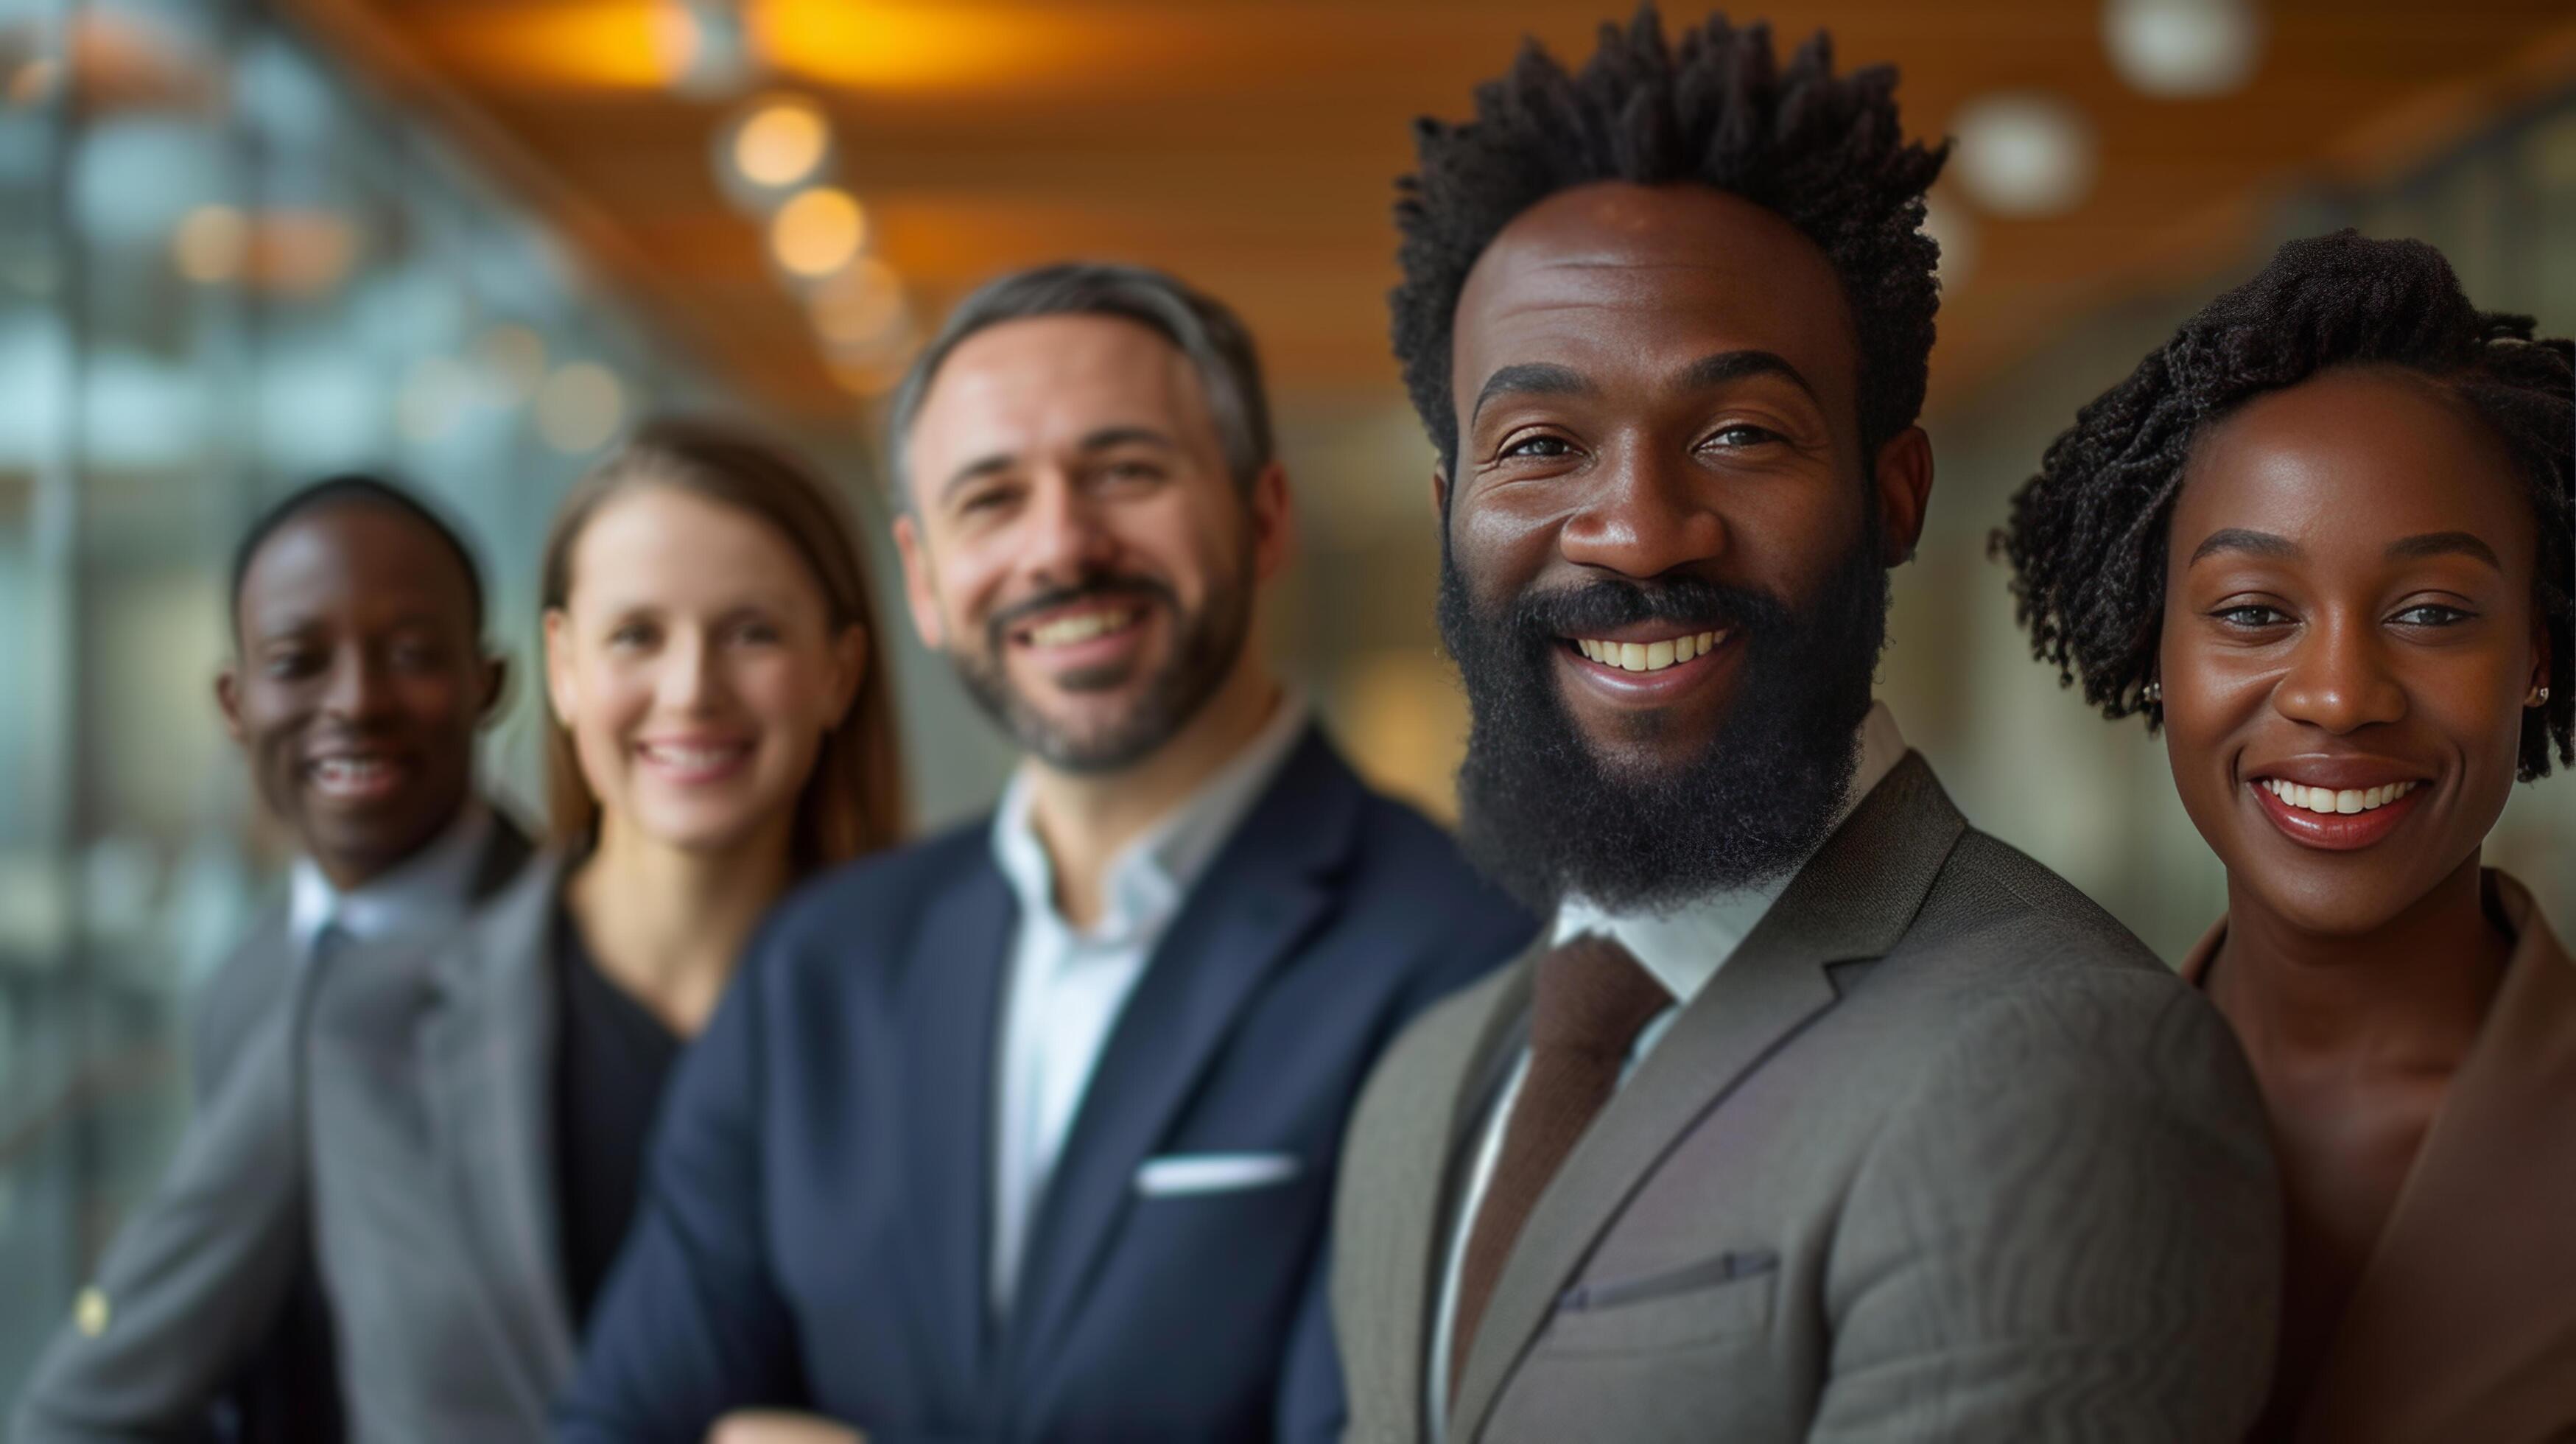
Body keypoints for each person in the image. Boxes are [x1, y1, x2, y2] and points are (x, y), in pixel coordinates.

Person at [1327, 13, 2282, 1443]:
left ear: (1895, 494)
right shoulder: (1426, 1077)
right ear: (1449, 515)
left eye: (1740, 434)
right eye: (1540, 447)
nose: (1639, 526)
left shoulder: (2064, 1062)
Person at [560, 264, 1536, 1443]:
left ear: (1262, 518)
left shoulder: (1472, 959)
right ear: (924, 581)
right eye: (990, 498)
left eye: (1125, 472)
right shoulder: (821, 966)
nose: (1062, 546)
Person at [14, 421, 905, 1443]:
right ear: (562, 668)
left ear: (839, 672)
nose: (691, 688)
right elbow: (86, 1414)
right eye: (636, 636)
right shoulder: (361, 1020)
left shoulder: (949, 1015)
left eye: (751, 630)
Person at [1997, 231, 2576, 1443]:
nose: (2336, 694)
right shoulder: (1995, 1128)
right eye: (2253, 613)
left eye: (2430, 612)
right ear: (2155, 653)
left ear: (2532, 655)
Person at [14, 474, 530, 1444]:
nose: (357, 702)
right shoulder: (246, 976)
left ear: (488, 684)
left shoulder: (574, 960)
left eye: (413, 655)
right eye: (298, 662)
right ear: (235, 702)